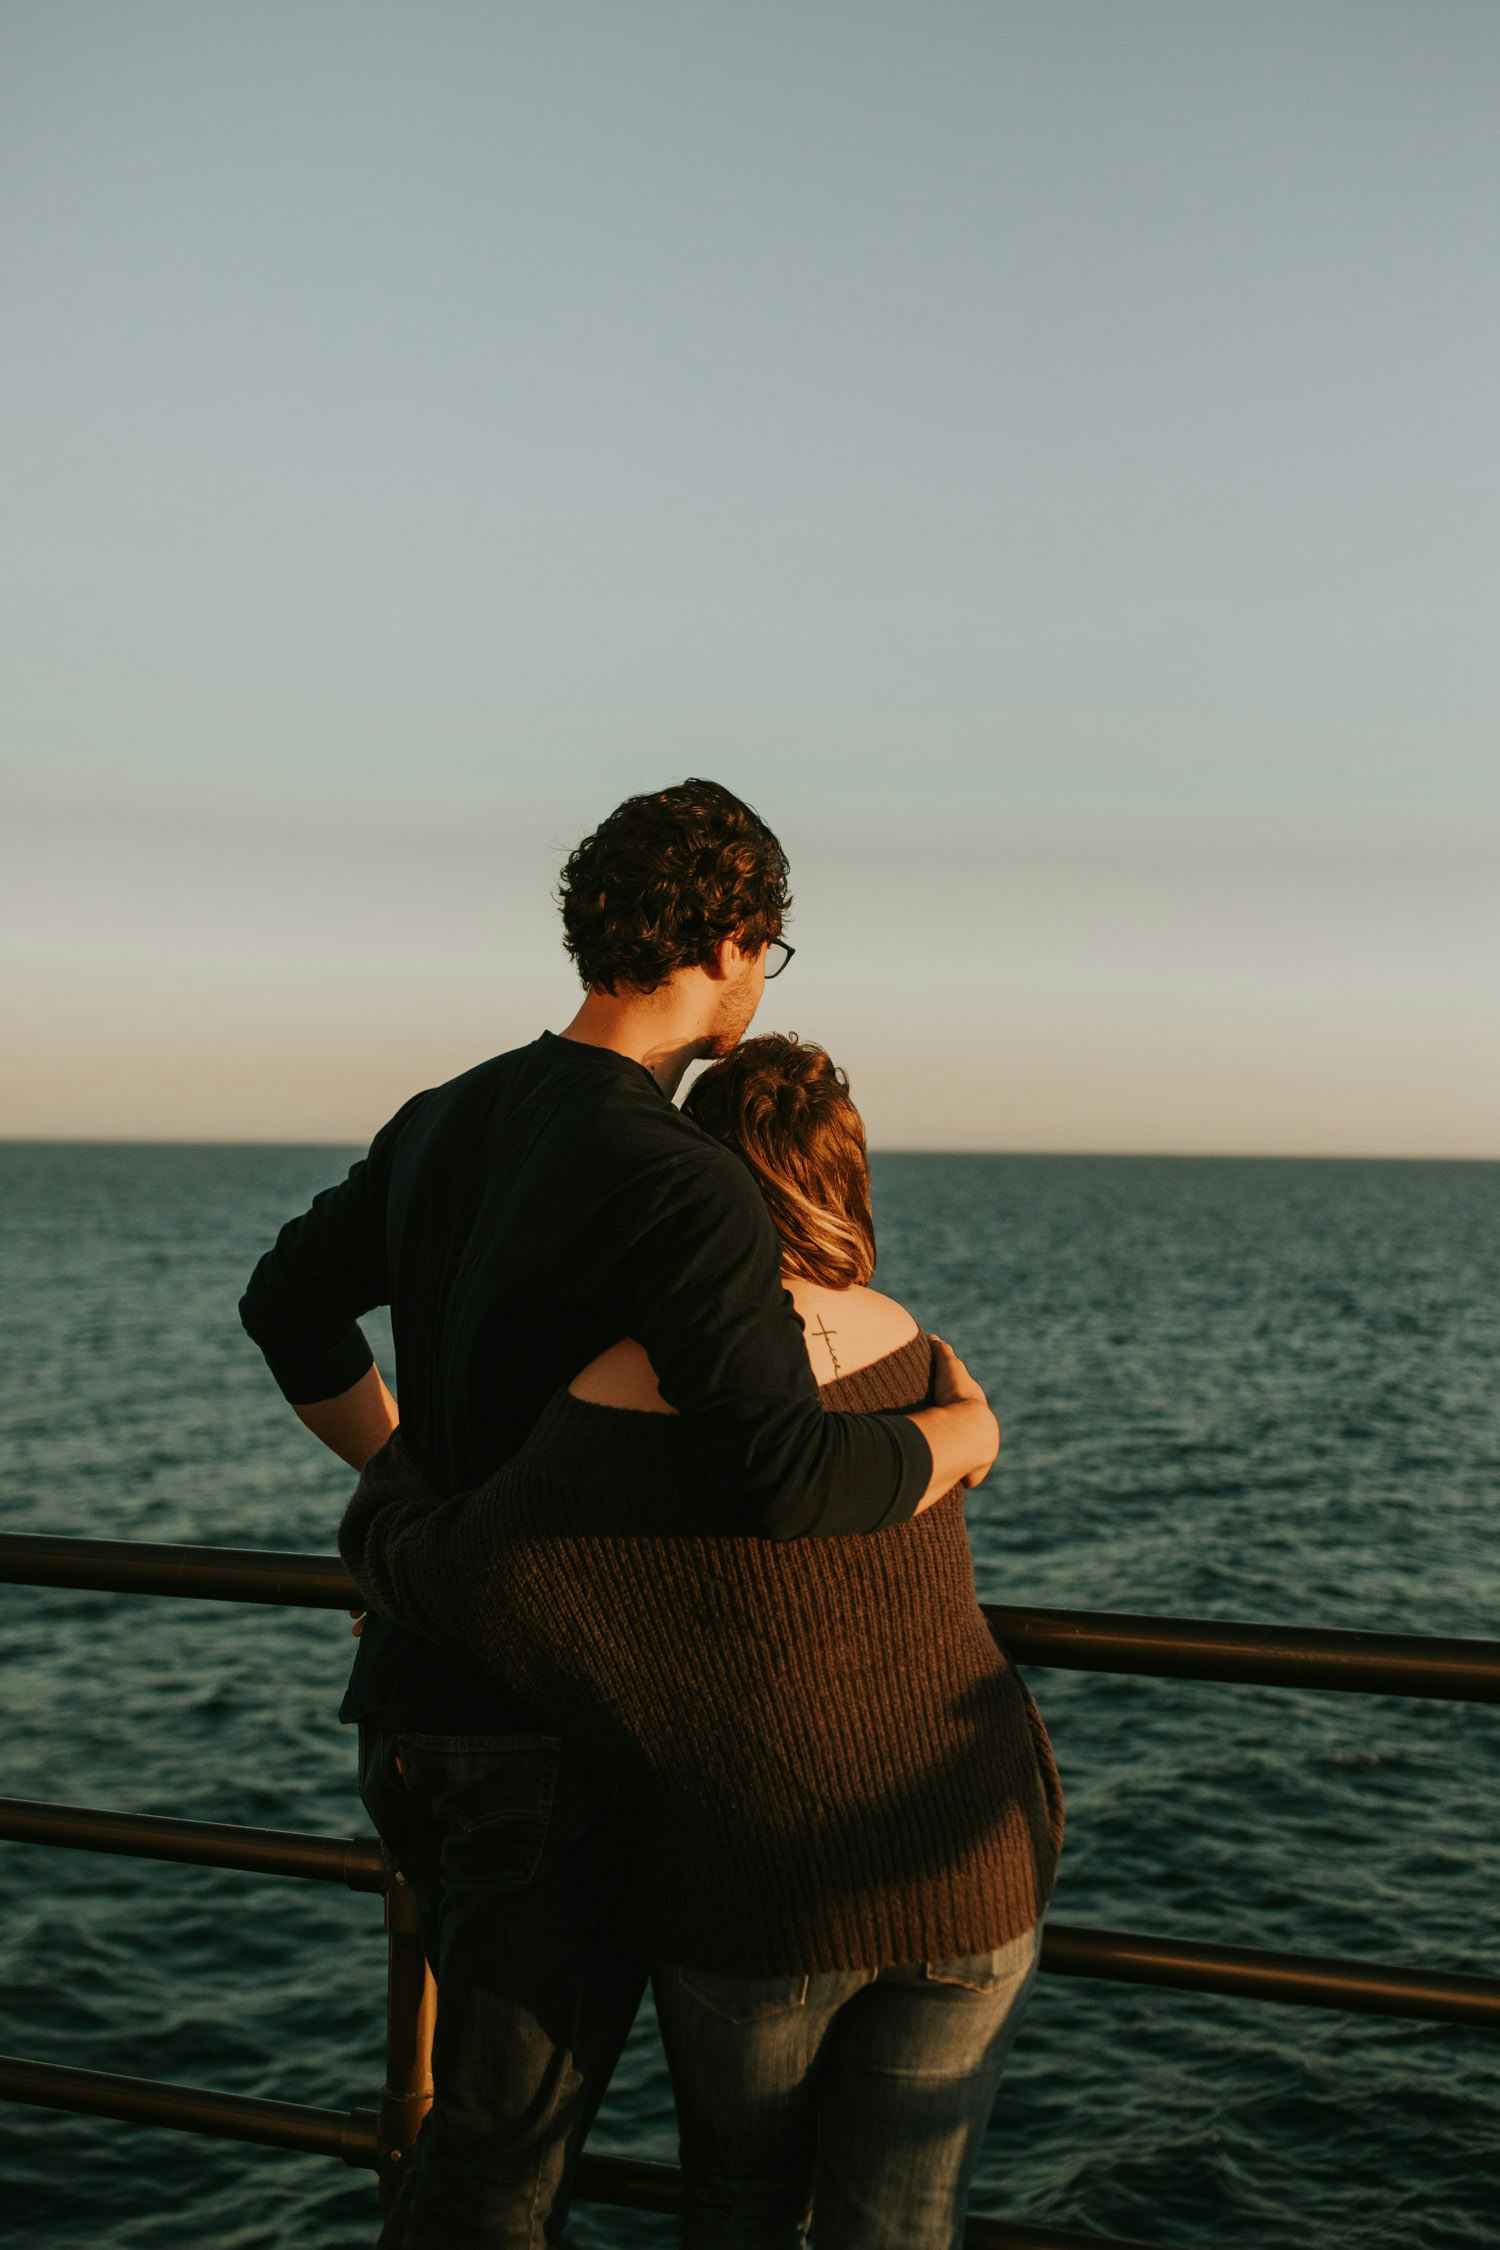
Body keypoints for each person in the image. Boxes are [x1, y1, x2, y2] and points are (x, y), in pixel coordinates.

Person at [238, 780, 1001, 2249]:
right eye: (767, 952)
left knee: (480, 2149)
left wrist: (403, 1474)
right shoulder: (683, 1183)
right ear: (724, 942)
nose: (760, 984)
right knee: (497, 2181)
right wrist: (955, 1435)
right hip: (537, 1727)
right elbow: (785, 1475)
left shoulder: (446, 1114)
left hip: (406, 1708)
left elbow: (287, 1304)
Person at [340, 1032, 1064, 2250]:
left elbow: (485, 1581)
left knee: (741, 2207)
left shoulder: (625, 1382)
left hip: (761, 1892)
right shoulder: (914, 1345)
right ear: (848, 1182)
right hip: (970, 1859)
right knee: (903, 2231)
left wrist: (386, 1505)